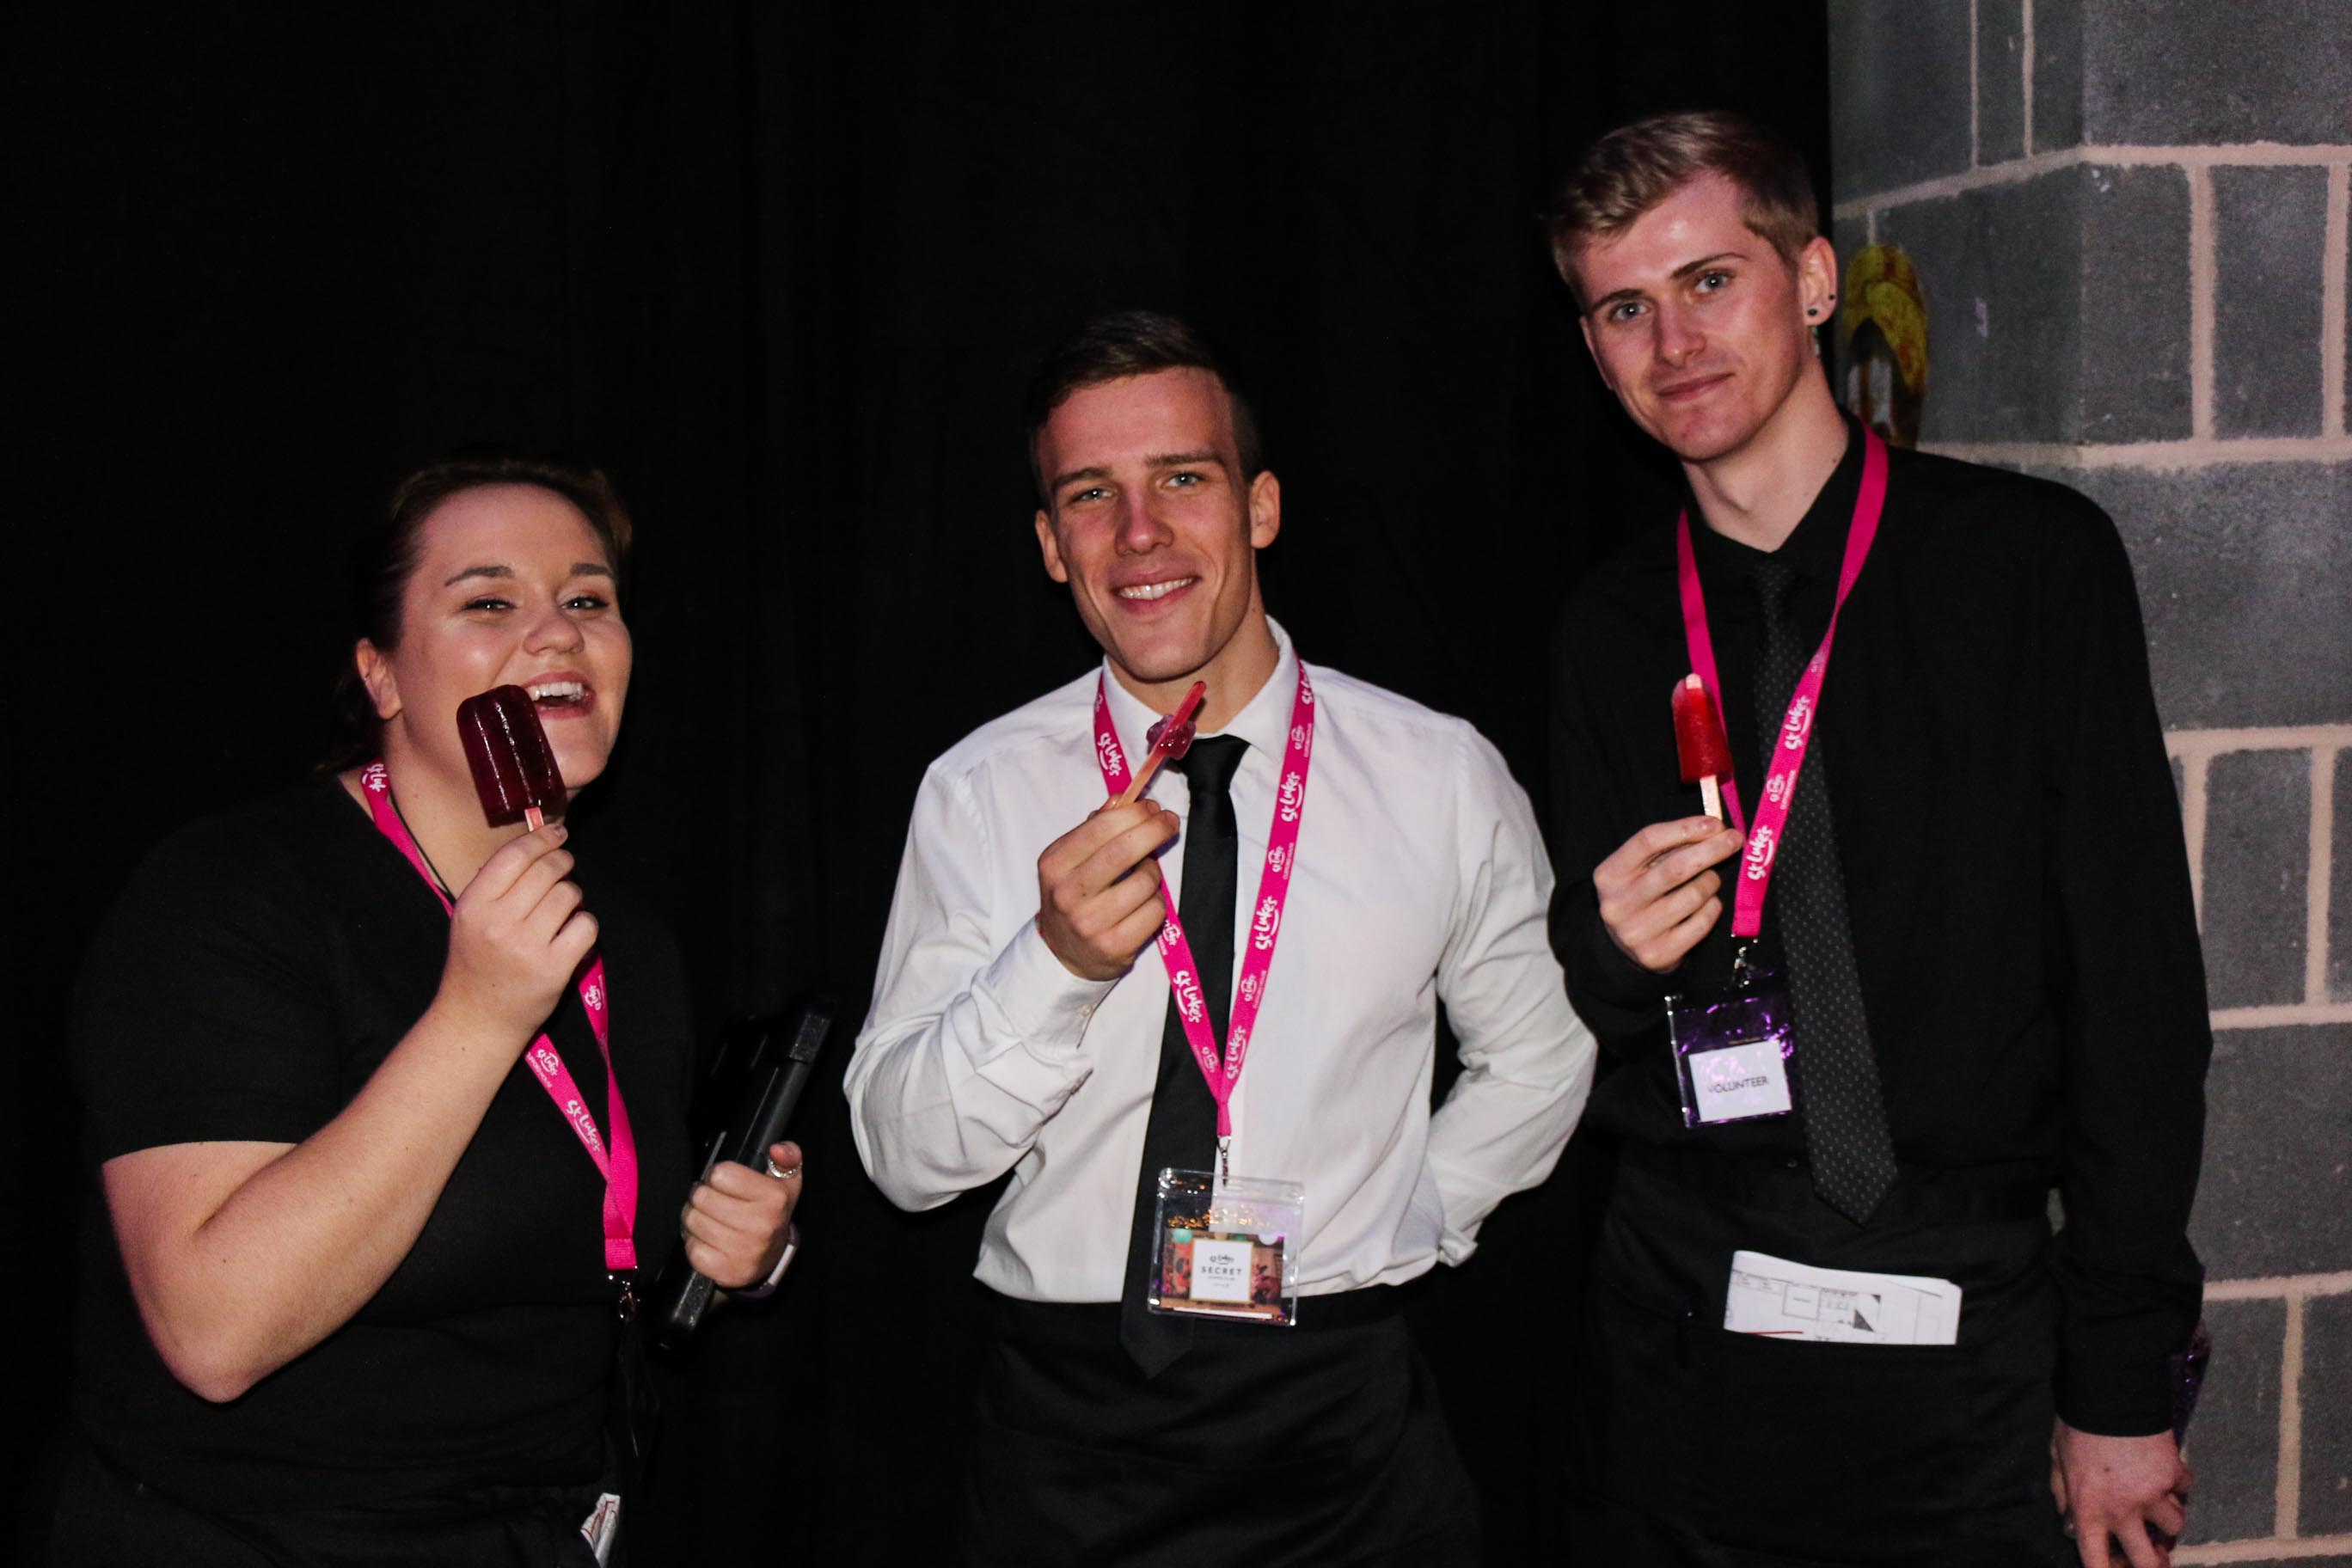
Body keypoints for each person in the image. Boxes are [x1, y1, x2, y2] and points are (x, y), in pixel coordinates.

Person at [1543, 112, 2209, 1568]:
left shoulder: (2029, 567)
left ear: (1813, 281)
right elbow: (1586, 1009)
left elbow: (2139, 1004)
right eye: (1625, 309)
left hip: (1965, 1324)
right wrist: (1604, 954)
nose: (1674, 342)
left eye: (1710, 281)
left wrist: (2120, 1373)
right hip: (1686, 1329)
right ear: (1593, 350)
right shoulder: (1607, 628)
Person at [846, 310, 1596, 1565]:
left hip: (1345, 1427)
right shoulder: (978, 791)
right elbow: (903, 1161)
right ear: (1051, 546)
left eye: (1182, 478)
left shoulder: (1439, 774)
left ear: (1260, 507)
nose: (1139, 533)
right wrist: (1055, 965)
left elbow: (1543, 1051)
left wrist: (1409, 1213)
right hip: (1067, 1435)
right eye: (1091, 494)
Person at [58, 456, 803, 1565]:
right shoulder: (228, 897)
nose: (556, 634)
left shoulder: (627, 938)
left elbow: (598, 1240)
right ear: (383, 676)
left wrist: (746, 1246)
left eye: (588, 599)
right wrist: (477, 1018)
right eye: (489, 602)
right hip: (250, 1536)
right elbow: (214, 1332)